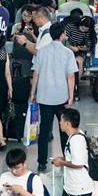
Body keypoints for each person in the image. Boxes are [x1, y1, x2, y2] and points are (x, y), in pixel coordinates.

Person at [31, 18, 78, 172]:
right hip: (61, 97)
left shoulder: (42, 52)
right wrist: (71, 96)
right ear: (62, 35)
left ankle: (42, 162)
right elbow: (71, 76)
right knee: (64, 128)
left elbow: (36, 74)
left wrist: (33, 93)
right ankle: (66, 158)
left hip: (44, 96)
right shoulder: (68, 53)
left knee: (44, 130)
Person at [53, 108, 96, 196]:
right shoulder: (76, 135)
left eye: (61, 121)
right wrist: (62, 159)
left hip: (79, 190)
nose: (59, 123)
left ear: (67, 123)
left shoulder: (76, 140)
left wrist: (61, 163)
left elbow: (78, 163)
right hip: (70, 189)